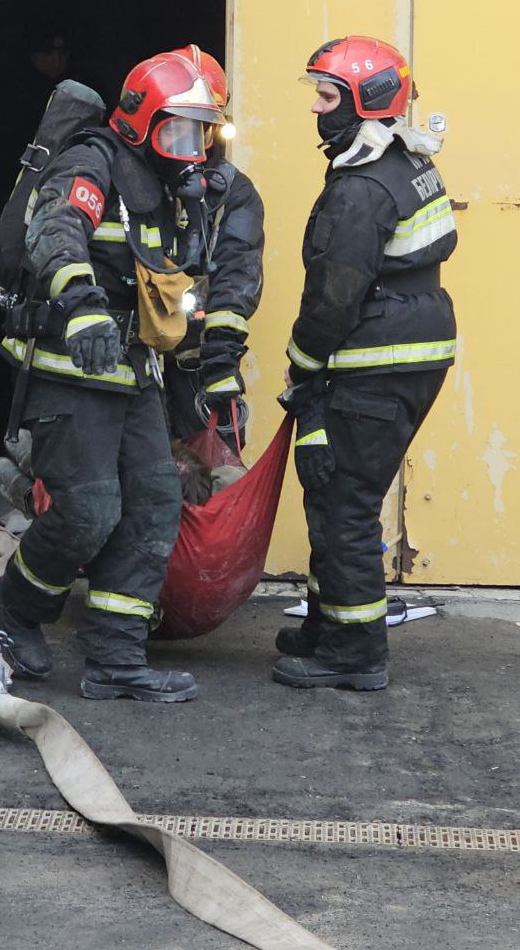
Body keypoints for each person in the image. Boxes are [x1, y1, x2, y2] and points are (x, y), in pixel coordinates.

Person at [0, 48, 224, 702]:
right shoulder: (91, 163)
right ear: (143, 120)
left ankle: (116, 660)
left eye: (201, 133)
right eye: (179, 130)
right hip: (68, 370)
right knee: (90, 511)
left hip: (134, 374)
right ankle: (16, 607)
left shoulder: (171, 188)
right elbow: (57, 231)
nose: (192, 148)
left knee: (153, 507)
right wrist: (83, 306)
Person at [274, 36, 457, 691]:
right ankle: (327, 625)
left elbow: (334, 295)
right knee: (338, 494)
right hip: (411, 349)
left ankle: (353, 653)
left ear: (364, 102)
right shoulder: (406, 161)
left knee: (343, 500)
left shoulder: (360, 188)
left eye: (327, 97)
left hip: (378, 358)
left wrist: (302, 366)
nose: (317, 109)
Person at [161, 46, 265, 453]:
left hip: (197, 364)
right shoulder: (130, 181)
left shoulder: (232, 192)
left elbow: (238, 275)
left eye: (200, 126)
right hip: (131, 360)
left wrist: (220, 360)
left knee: (212, 472)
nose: (188, 138)